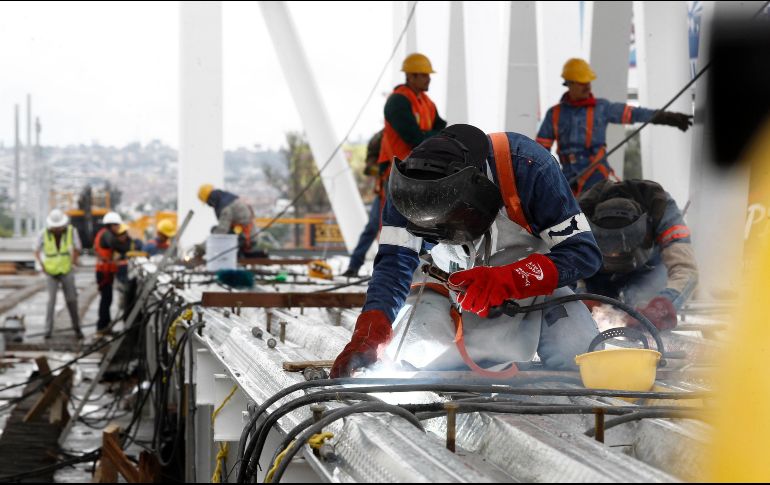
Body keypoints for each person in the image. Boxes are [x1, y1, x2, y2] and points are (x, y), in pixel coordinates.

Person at [330, 124, 603, 378]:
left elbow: (583, 254)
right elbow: (393, 265)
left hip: (532, 287)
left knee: (579, 354)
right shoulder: (409, 185)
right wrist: (371, 330)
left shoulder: (528, 167)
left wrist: (506, 280)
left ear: (478, 197)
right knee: (418, 357)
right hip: (444, 288)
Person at [341, 53, 447, 277]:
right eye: (424, 76)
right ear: (411, 76)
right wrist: (431, 136)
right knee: (384, 226)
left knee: (415, 225)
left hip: (419, 174)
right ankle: (368, 269)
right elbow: (415, 137)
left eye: (429, 75)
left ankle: (410, 270)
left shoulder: (427, 103)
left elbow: (441, 129)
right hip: (398, 174)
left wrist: (430, 136)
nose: (429, 80)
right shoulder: (398, 101)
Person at [536, 58, 693, 195]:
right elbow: (540, 152)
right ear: (569, 84)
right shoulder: (554, 114)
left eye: (588, 82)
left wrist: (668, 118)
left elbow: (636, 113)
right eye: (582, 83)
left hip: (597, 176)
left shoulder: (602, 108)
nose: (588, 87)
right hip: (569, 180)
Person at [578, 179, 699, 330]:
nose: (616, 254)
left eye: (622, 249)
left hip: (647, 273)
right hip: (599, 274)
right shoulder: (577, 217)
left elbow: (685, 269)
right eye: (612, 249)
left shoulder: (663, 211)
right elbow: (568, 264)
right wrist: (581, 297)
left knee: (644, 311)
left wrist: (661, 306)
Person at [34, 209, 84, 340]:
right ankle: (47, 330)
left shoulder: (71, 231)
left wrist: (74, 263)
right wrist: (41, 265)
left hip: (67, 270)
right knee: (51, 301)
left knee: (72, 300)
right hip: (50, 272)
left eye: (59, 227)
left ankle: (77, 328)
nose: (57, 229)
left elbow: (78, 248)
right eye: (54, 227)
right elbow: (36, 251)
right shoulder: (43, 233)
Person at [342, 130, 383, 277]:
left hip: (400, 190)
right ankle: (354, 266)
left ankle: (355, 265)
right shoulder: (381, 138)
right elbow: (370, 166)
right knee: (372, 228)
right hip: (385, 190)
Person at [197, 185, 267, 258]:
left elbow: (221, 231)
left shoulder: (226, 207)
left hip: (246, 238)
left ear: (210, 200)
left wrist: (203, 247)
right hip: (246, 235)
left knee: (220, 235)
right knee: (214, 229)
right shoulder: (229, 200)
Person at [93, 211, 123, 334]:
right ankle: (102, 326)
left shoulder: (104, 234)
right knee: (106, 299)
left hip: (105, 271)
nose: (118, 228)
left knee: (107, 299)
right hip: (104, 272)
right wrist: (128, 248)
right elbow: (116, 246)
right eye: (117, 225)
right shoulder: (107, 235)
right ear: (111, 225)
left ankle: (105, 325)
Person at [110, 224, 144, 322]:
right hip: (121, 277)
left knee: (132, 300)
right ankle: (126, 320)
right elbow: (114, 261)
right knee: (123, 301)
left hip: (133, 277)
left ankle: (130, 319)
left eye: (124, 234)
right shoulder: (114, 246)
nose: (122, 236)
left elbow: (140, 255)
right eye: (120, 235)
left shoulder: (134, 244)